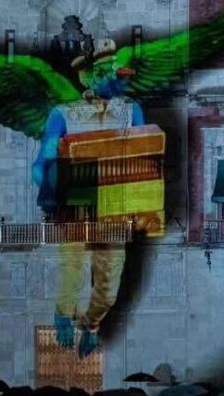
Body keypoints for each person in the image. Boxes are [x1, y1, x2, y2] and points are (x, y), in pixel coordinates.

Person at [33, 38, 144, 358]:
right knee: (71, 266)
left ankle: (92, 324)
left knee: (109, 287)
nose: (107, 77)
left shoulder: (130, 110)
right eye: (100, 71)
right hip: (75, 202)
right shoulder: (63, 113)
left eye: (111, 70)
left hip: (114, 204)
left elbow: (145, 156)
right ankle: (63, 313)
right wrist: (55, 192)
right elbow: (42, 162)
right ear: (85, 76)